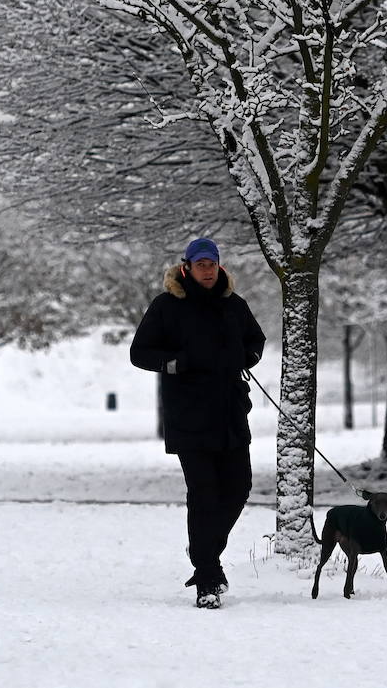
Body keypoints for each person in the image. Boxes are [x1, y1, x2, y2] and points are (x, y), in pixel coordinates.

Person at [130, 237, 266, 609]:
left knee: (239, 488)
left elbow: (256, 339)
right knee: (204, 495)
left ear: (220, 267)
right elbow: (139, 353)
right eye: (201, 264)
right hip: (189, 416)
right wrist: (176, 363)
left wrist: (248, 356)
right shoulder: (167, 306)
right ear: (187, 267)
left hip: (230, 413)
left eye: (212, 263)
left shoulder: (232, 305)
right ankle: (207, 577)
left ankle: (203, 552)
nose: (207, 270)